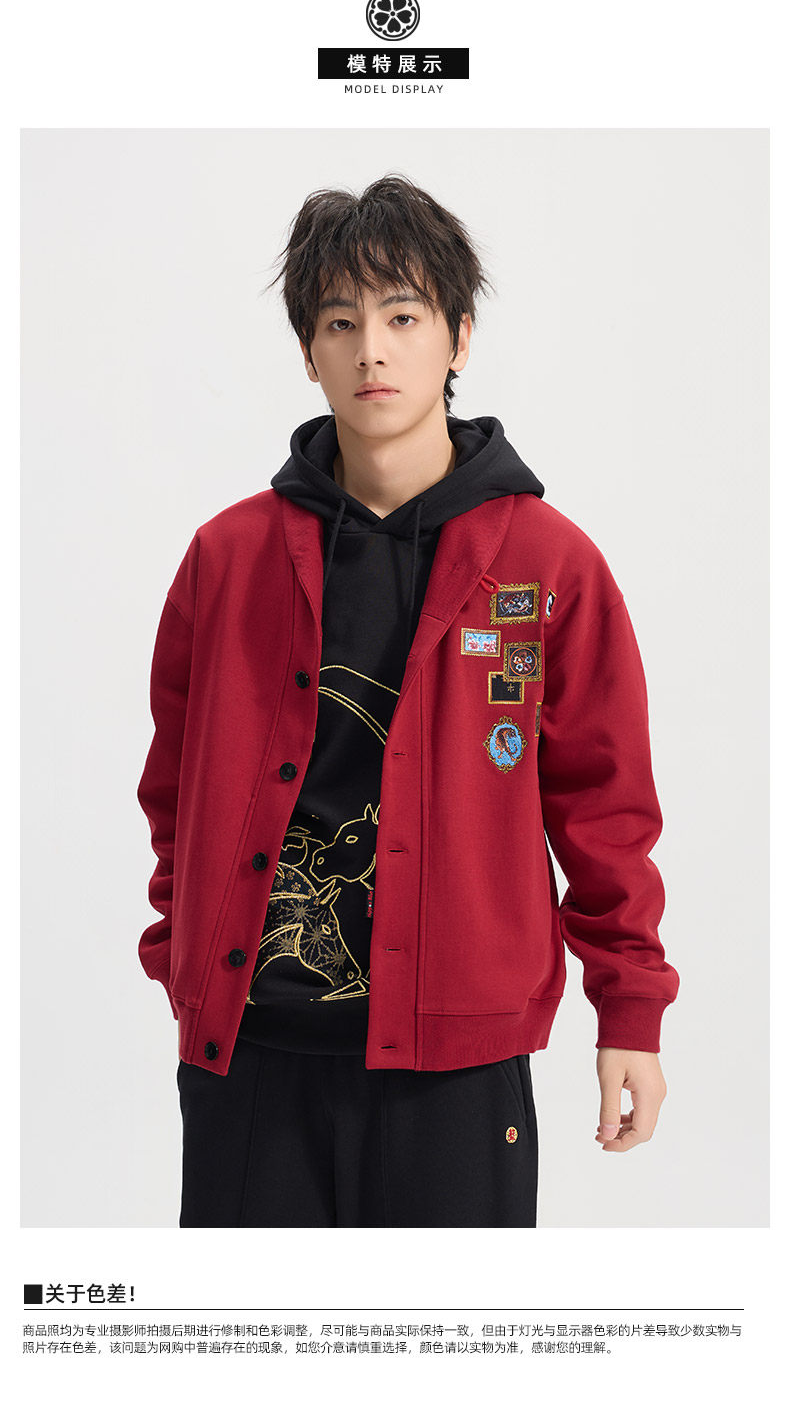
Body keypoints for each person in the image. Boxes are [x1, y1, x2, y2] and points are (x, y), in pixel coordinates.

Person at [136, 173, 680, 1227]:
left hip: (457, 1068)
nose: (371, 352)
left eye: (402, 317)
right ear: (308, 352)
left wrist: (631, 1010)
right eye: (340, 323)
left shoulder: (547, 564)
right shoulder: (227, 558)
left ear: (459, 337)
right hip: (250, 1054)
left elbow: (604, 809)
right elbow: (173, 791)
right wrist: (182, 954)